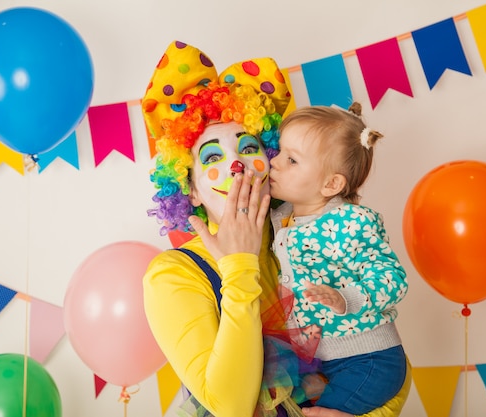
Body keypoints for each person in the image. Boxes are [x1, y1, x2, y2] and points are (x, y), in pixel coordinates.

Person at [141, 41, 411, 417]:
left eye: (248, 148)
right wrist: (238, 265)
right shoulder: (171, 275)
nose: (236, 164)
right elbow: (230, 406)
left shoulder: (301, 228)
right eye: (214, 157)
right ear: (190, 189)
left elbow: (387, 366)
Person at [268, 103, 409, 415]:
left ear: (331, 184)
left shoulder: (351, 221)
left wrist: (347, 298)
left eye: (291, 160)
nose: (273, 163)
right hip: (322, 361)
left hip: (369, 359)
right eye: (278, 152)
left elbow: (392, 277)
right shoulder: (282, 218)